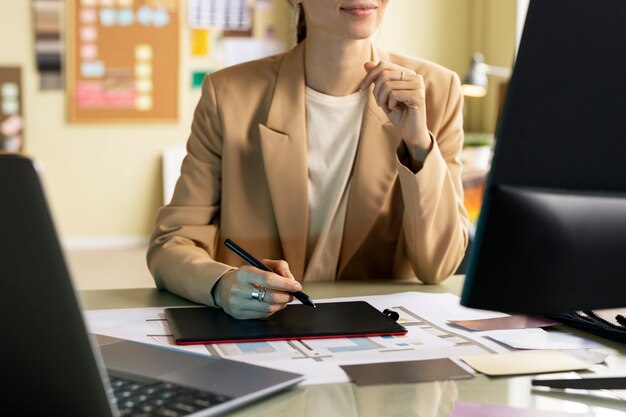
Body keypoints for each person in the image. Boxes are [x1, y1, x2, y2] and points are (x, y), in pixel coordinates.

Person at [147, 0, 469, 319]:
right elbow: (171, 245)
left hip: (380, 341)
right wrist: (221, 284)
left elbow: (438, 267)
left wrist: (418, 144)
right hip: (261, 338)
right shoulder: (228, 95)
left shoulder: (437, 92)